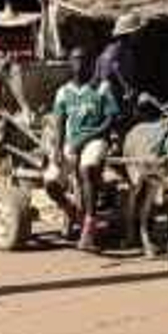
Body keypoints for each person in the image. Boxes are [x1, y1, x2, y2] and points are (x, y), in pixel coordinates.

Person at [48, 65, 120, 244]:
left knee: (87, 169)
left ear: (91, 63)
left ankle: (89, 223)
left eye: (83, 59)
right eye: (75, 59)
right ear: (70, 64)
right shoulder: (63, 92)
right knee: (50, 181)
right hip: (71, 142)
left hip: (97, 139)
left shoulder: (102, 87)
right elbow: (59, 123)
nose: (79, 63)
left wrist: (88, 136)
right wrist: (58, 149)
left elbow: (110, 120)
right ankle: (70, 209)